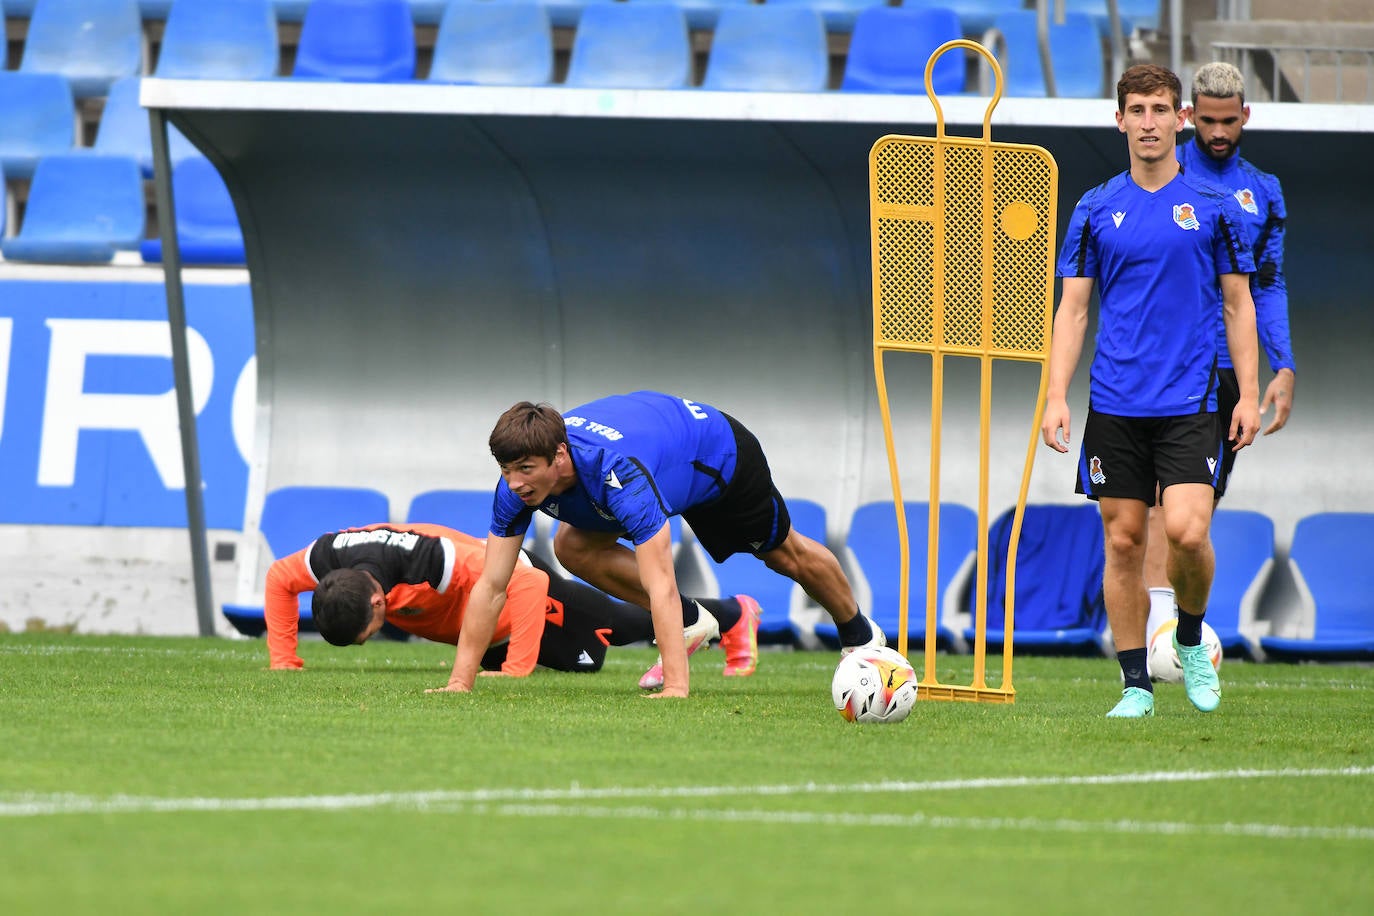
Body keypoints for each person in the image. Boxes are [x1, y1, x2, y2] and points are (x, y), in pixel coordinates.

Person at [1041, 64, 1261, 718]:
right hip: (1113, 403)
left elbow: (1238, 305)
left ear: (1180, 119)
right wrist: (1056, 396)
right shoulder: (1094, 208)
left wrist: (1248, 394)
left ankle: (1189, 639)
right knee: (1124, 542)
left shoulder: (1216, 209)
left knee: (1189, 534)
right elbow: (1073, 311)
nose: (1147, 122)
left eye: (1160, 109)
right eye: (1136, 110)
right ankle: (1136, 683)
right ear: (1120, 120)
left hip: (1192, 400)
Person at [432, 391, 885, 698]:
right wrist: (460, 682)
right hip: (661, 458)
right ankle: (694, 621)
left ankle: (860, 635)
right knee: (573, 547)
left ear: (561, 455)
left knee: (784, 555)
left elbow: (661, 579)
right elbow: (493, 585)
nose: (515, 483)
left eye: (526, 469)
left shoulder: (620, 474)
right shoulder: (515, 488)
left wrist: (676, 687)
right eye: (507, 470)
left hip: (715, 458)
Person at [1143, 60, 1297, 638]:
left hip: (1231, 375)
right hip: (1168, 366)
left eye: (1227, 121)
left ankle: (1183, 625)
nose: (1217, 133)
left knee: (1195, 515)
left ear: (1245, 116)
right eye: (1206, 121)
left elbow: (1269, 284)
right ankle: (1159, 629)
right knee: (1159, 503)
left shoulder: (1263, 192)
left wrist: (1284, 364)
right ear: (1189, 118)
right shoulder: (1160, 177)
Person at [263, 521, 663, 675]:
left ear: (377, 603)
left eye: (367, 634)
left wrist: (516, 670)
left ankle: (724, 618)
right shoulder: (326, 558)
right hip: (483, 633)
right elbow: (280, 577)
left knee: (623, 626)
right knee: (584, 661)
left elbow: (529, 582)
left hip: (517, 588)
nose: (369, 639)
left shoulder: (430, 560)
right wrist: (283, 659)